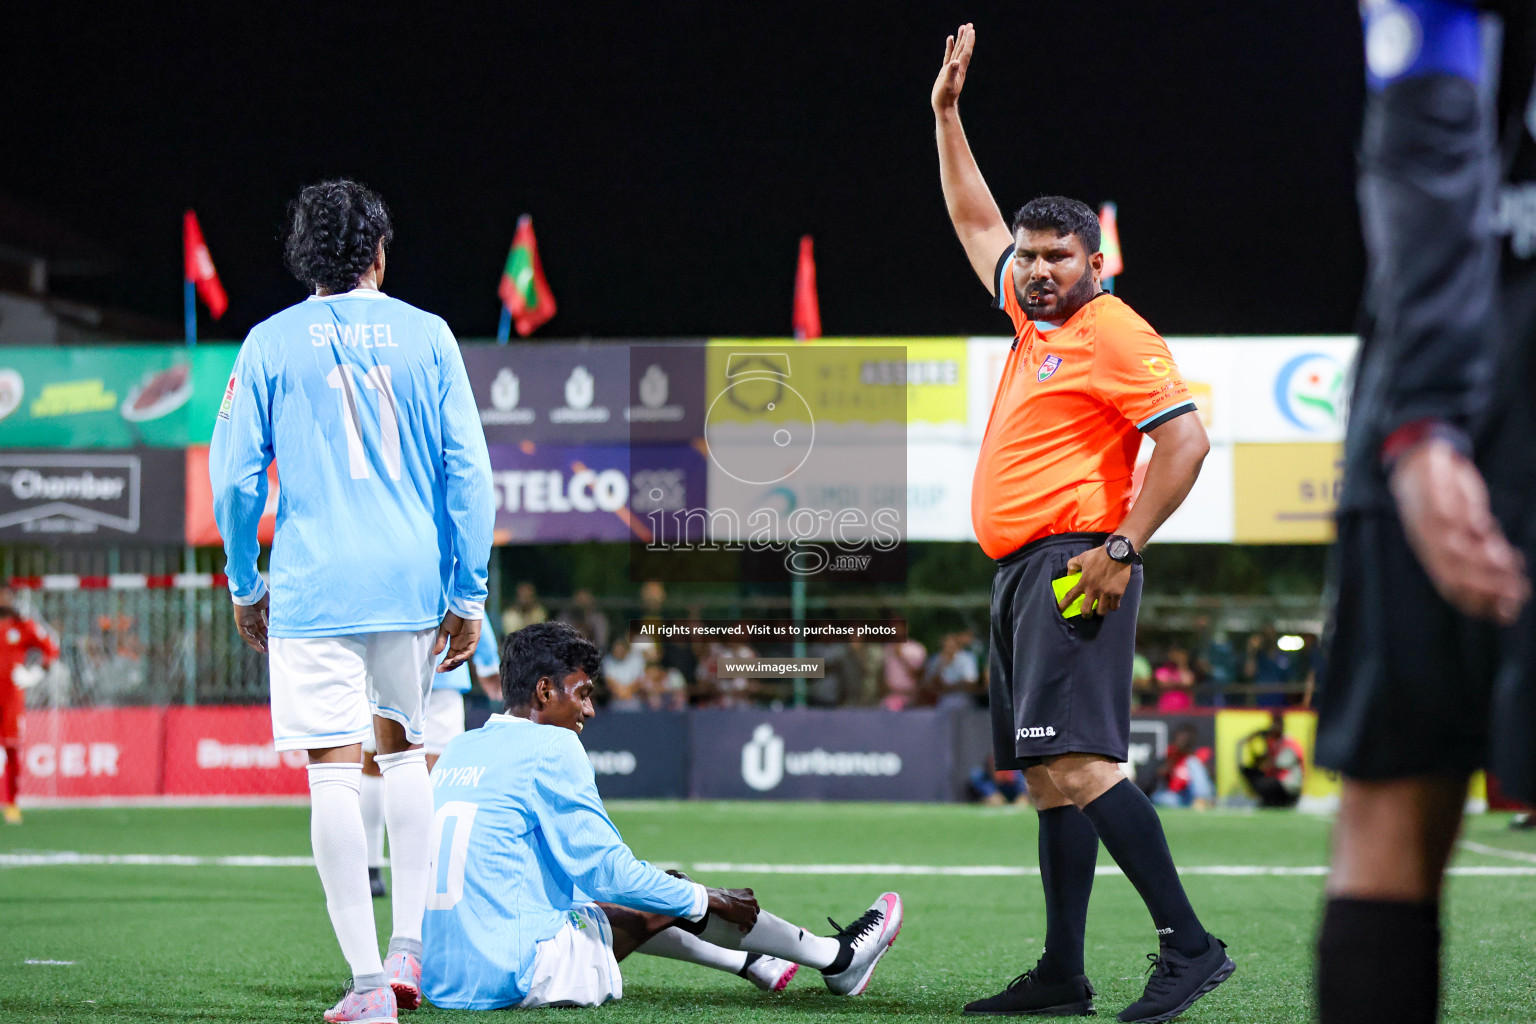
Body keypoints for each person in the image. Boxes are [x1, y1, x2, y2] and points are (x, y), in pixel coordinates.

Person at [932, 24, 1231, 1022]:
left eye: (1058, 255)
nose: (1037, 267)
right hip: (1022, 570)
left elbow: (1184, 444)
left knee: (1083, 764)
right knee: (1048, 782)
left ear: (1094, 260)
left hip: (1076, 562)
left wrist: (1120, 548)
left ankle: (1191, 947)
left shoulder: (1113, 330)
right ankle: (1064, 971)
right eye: (1030, 254)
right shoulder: (1031, 317)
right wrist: (947, 115)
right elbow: (975, 219)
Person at [210, 179, 493, 1024]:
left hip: (315, 584)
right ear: (378, 252)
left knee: (333, 771)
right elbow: (468, 475)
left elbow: (234, 478)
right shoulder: (429, 334)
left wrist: (242, 582)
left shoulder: (268, 342)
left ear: (303, 256)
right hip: (410, 583)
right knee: (405, 754)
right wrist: (468, 590)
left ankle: (369, 985)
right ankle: (410, 947)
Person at [1315, 7, 1536, 1020]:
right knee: (1396, 796)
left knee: (1395, 807)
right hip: (1470, 363)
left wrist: (1425, 414)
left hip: (1462, 351)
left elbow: (1427, 91)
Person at [421, 621, 903, 1009]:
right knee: (662, 890)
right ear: (544, 692)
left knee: (616, 900)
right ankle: (835, 957)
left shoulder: (462, 745)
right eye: (581, 693)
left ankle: (752, 961)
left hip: (445, 979)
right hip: (515, 976)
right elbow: (610, 874)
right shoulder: (552, 743)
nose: (588, 709)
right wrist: (708, 897)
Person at [363, 622, 500, 899]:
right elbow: (468, 593)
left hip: (384, 662)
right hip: (441, 667)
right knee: (441, 772)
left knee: (374, 765)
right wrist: (487, 662)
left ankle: (371, 869)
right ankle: (435, 869)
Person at [0, 586, 60, 825]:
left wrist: (35, 674)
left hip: (11, 699)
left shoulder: (23, 626)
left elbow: (51, 649)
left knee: (12, 749)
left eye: (7, 595)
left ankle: (12, 804)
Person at [1237, 714, 1303, 810]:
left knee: (1262, 783)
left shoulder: (1288, 743)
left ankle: (1280, 802)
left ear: (1281, 725)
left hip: (1288, 785)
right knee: (1249, 772)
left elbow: (1273, 764)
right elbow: (1262, 760)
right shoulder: (1273, 742)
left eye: (1275, 724)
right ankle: (1270, 801)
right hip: (1276, 781)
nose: (1272, 728)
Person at [1151, 726, 1212, 811]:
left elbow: (1207, 778)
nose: (1180, 742)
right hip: (1177, 796)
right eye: (1178, 739)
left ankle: (1201, 801)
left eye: (1183, 739)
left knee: (1192, 762)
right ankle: (1192, 806)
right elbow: (1160, 773)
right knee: (1161, 798)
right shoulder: (1171, 753)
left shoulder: (1198, 754)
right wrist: (1171, 764)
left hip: (1191, 794)